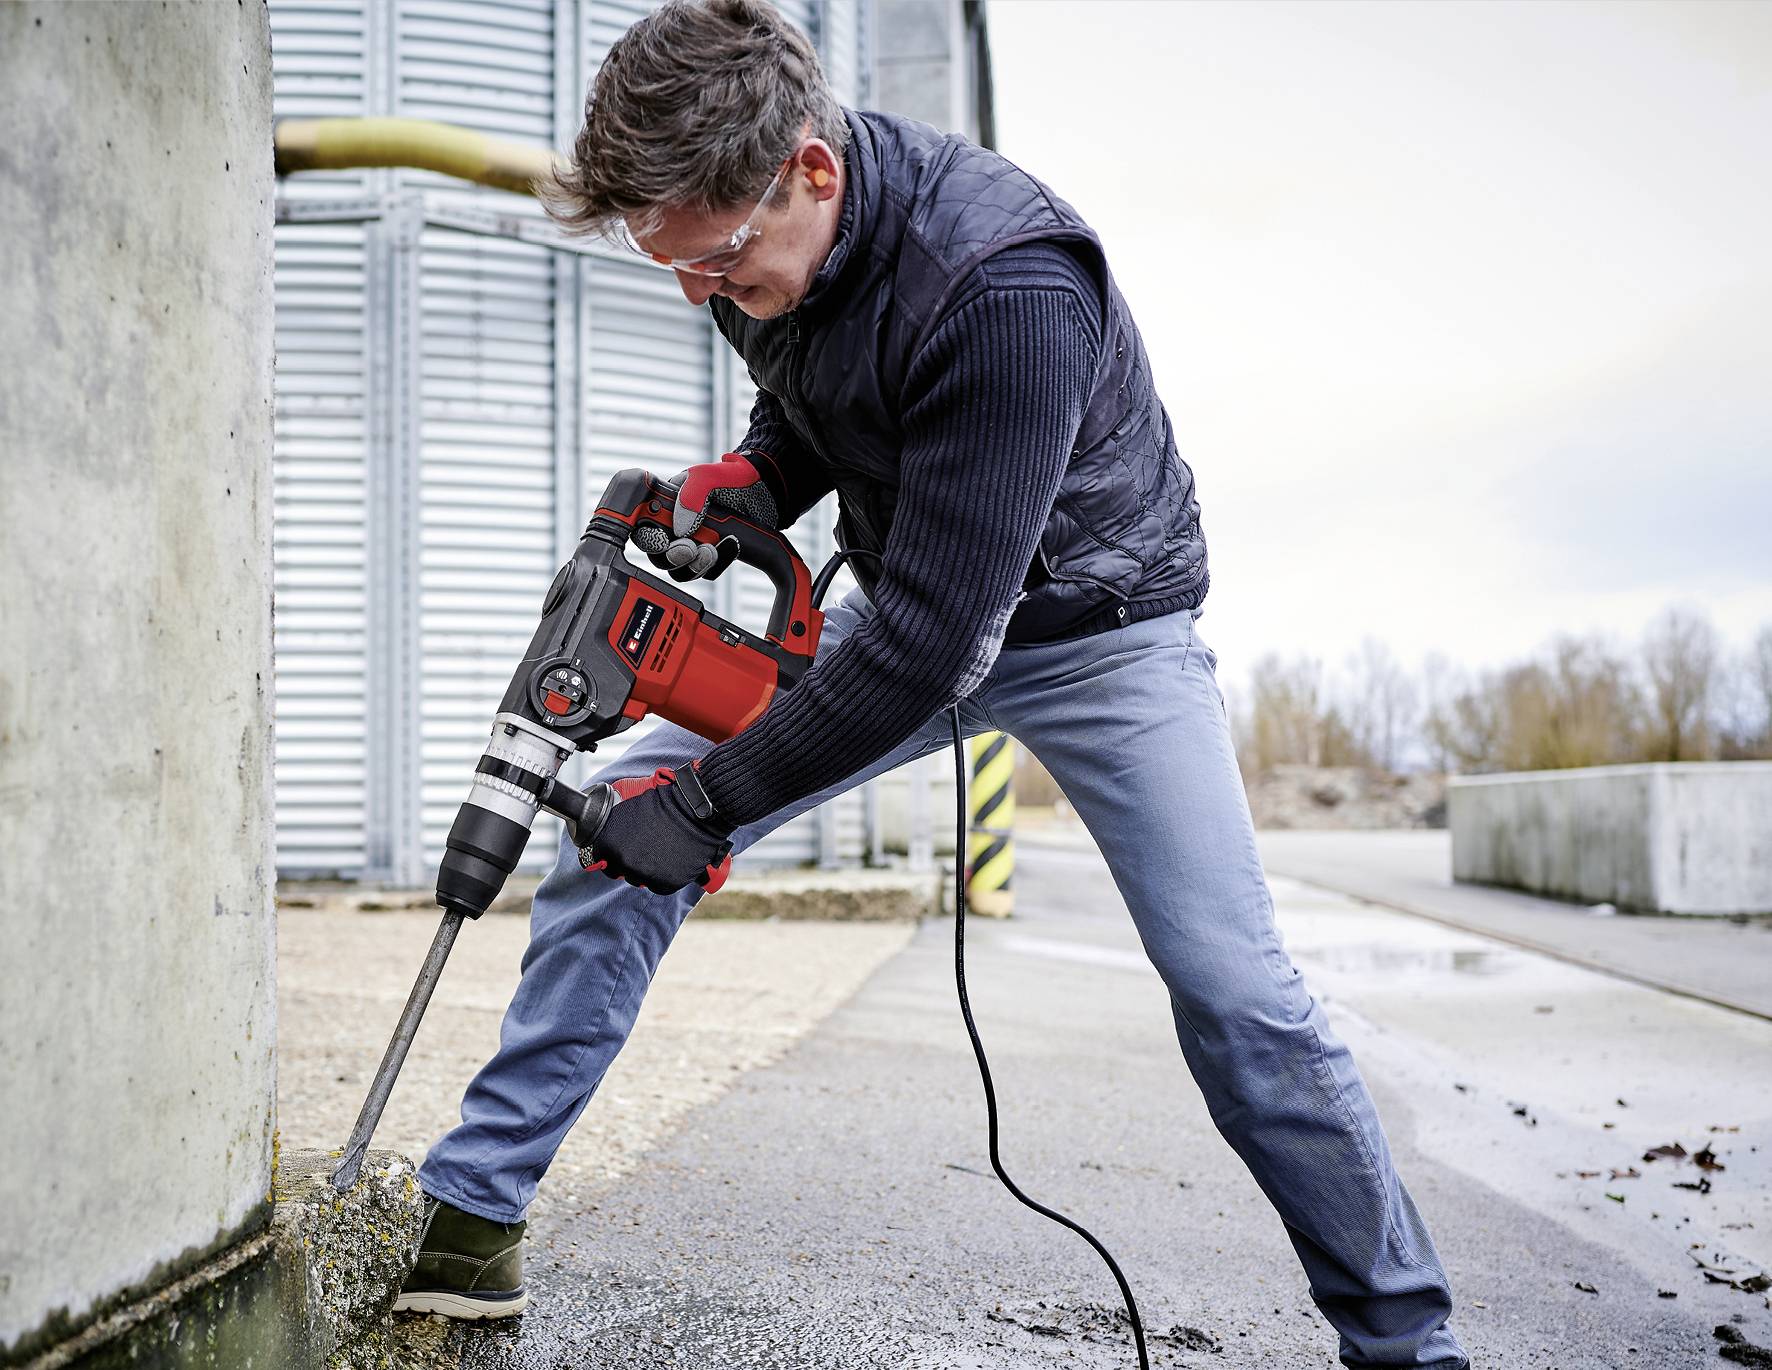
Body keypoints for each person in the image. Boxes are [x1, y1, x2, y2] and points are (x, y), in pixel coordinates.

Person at [395, 2, 1469, 1365]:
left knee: (1239, 996)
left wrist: (712, 805)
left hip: (1100, 630)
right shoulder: (759, 255)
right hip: (922, 596)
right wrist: (759, 480)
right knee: (618, 826)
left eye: (716, 258)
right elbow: (815, 397)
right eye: (673, 266)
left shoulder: (1008, 281)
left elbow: (930, 652)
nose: (698, 292)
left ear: (814, 170)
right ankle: (470, 1225)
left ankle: (1406, 1340)